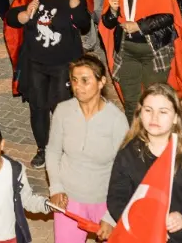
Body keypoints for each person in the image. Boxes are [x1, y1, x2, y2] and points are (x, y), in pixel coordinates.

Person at [4, 0, 89, 167]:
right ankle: (43, 147)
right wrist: (23, 15)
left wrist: (75, 2)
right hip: (35, 63)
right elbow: (12, 18)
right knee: (38, 107)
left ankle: (63, 148)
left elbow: (84, 25)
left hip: (64, 64)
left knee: (60, 108)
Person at [107, 84, 182, 243]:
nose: (154, 118)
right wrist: (144, 224)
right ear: (140, 114)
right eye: (148, 110)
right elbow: (116, 198)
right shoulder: (128, 154)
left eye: (163, 112)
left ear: (175, 117)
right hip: (139, 237)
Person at [45, 55, 127, 243]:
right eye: (74, 80)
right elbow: (53, 151)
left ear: (101, 82)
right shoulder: (63, 110)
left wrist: (111, 215)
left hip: (104, 201)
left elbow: (124, 170)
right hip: (68, 199)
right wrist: (55, 187)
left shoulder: (116, 120)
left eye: (85, 80)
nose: (77, 86)